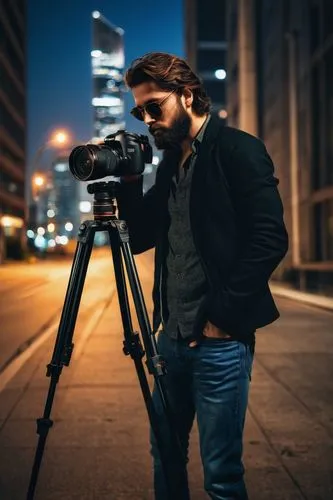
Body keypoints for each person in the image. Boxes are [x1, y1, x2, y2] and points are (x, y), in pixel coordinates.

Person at [117, 52, 289, 500]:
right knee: (166, 457)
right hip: (169, 341)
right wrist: (132, 181)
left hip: (219, 344)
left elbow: (270, 238)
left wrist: (220, 317)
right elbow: (138, 238)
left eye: (154, 106)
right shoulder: (171, 163)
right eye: (140, 111)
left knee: (222, 476)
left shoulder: (237, 149)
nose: (147, 119)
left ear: (188, 95)